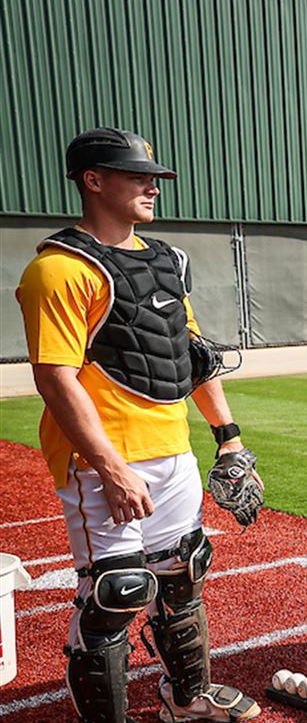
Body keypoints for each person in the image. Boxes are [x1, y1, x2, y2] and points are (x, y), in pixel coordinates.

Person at [15, 127, 261, 723]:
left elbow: (191, 355)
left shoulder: (166, 261)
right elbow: (56, 379)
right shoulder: (58, 270)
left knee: (183, 574)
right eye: (137, 176)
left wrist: (230, 441)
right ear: (92, 180)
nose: (152, 186)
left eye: (153, 176)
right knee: (116, 592)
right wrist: (112, 468)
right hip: (106, 462)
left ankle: (187, 699)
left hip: (171, 449)